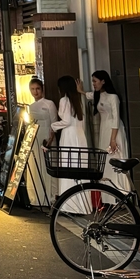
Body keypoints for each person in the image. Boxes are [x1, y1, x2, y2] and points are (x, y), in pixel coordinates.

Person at [47, 75, 89, 212]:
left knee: (68, 166)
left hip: (69, 135)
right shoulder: (79, 99)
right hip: (80, 135)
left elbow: (66, 121)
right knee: (80, 167)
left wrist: (53, 126)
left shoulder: (64, 100)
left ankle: (69, 206)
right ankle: (82, 206)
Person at [92, 70, 131, 194]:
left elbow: (115, 118)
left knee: (115, 159)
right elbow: (88, 95)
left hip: (114, 131)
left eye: (95, 81)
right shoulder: (99, 95)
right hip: (104, 130)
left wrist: (113, 139)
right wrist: (80, 90)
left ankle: (121, 193)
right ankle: (108, 195)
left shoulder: (113, 97)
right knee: (106, 160)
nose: (93, 84)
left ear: (103, 81)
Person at [24, 78, 58, 206]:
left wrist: (50, 139)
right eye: (32, 89)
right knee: (36, 164)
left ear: (42, 89)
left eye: (37, 88)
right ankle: (36, 197)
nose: (35, 91)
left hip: (47, 136)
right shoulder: (31, 106)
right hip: (35, 136)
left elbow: (54, 123)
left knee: (48, 164)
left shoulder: (49, 104)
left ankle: (50, 196)